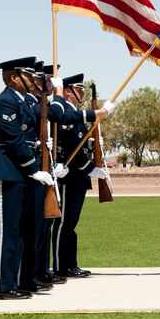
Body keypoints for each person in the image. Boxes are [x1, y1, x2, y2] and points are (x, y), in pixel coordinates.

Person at [0, 57, 56, 299]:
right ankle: (1, 287)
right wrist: (34, 167)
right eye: (29, 76)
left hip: (23, 174)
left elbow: (39, 124)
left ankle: (19, 281)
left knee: (25, 231)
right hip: (8, 172)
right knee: (8, 232)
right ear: (15, 78)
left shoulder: (23, 102)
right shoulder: (5, 103)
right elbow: (14, 140)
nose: (34, 80)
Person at [52, 73, 113, 278]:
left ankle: (70, 265)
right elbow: (71, 149)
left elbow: (81, 145)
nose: (82, 94)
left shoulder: (75, 114)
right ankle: (61, 266)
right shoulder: (65, 115)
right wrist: (90, 169)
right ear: (67, 91)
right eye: (79, 90)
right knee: (64, 224)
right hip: (69, 176)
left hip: (78, 178)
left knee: (71, 224)